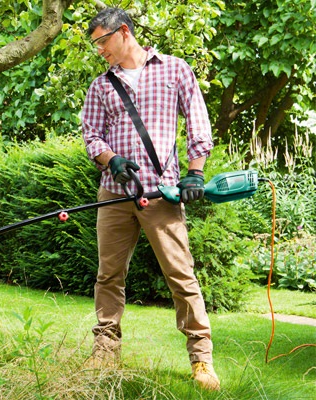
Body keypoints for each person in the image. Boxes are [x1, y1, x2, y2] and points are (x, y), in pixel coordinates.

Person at [81, 7, 220, 391]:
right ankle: (105, 353)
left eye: (102, 42)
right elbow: (91, 134)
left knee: (181, 275)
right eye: (95, 45)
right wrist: (111, 159)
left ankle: (202, 360)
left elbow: (197, 122)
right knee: (109, 275)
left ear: (123, 32)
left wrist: (195, 172)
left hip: (161, 195)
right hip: (115, 194)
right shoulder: (101, 86)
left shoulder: (175, 69)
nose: (99, 51)